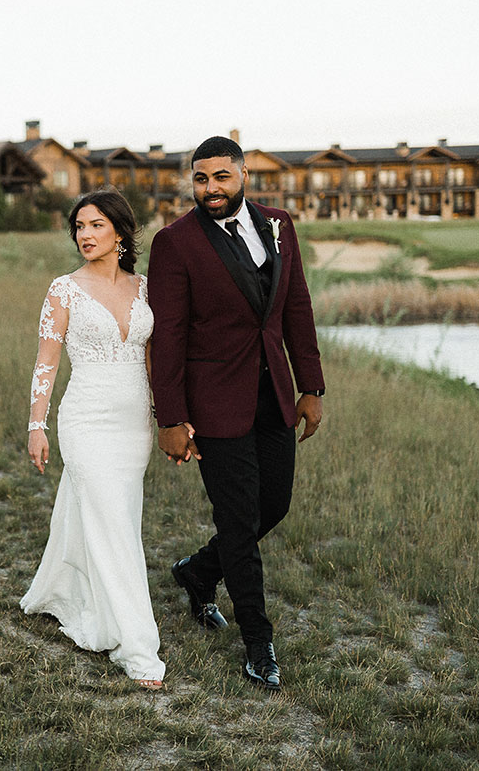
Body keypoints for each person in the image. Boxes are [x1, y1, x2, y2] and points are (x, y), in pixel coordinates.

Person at [148, 136, 324, 691]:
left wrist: (311, 385)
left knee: (274, 503)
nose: (211, 189)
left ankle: (197, 572)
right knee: (238, 521)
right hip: (213, 403)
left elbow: (295, 305)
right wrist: (170, 416)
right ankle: (258, 641)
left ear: (244, 174)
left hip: (273, 394)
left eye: (221, 177)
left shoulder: (279, 225)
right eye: (201, 180)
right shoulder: (174, 243)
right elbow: (168, 334)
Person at [20, 188, 166, 690]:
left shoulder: (146, 288)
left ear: (120, 232)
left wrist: (167, 417)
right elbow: (47, 361)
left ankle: (59, 588)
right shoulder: (64, 290)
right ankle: (136, 645)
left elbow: (153, 360)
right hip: (85, 418)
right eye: (79, 227)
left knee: (118, 514)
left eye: (96, 225)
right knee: (111, 520)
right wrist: (36, 425)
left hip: (134, 424)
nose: (85, 235)